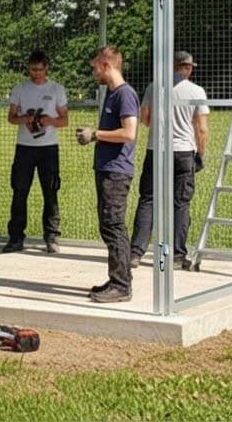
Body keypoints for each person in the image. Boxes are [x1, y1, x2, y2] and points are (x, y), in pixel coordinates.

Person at [130, 51, 210, 271]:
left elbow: (144, 119)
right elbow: (201, 128)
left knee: (148, 200)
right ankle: (175, 255)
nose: (190, 69)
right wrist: (200, 154)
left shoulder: (153, 87)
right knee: (180, 204)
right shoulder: (196, 91)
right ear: (185, 67)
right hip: (184, 151)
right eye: (189, 66)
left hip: (156, 150)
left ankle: (135, 253)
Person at [75, 45, 140, 303]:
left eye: (95, 67)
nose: (93, 72)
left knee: (114, 225)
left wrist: (96, 134)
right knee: (107, 225)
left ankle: (122, 285)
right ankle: (116, 278)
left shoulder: (125, 95)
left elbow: (129, 133)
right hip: (105, 169)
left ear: (106, 65)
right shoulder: (112, 94)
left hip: (117, 172)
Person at [3, 50, 69, 253]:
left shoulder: (57, 89)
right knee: (20, 191)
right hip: (24, 148)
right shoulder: (20, 88)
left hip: (48, 148)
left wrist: (50, 121)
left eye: (40, 69)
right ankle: (16, 238)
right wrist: (25, 119)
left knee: (50, 191)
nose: (36, 73)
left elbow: (65, 120)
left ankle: (51, 237)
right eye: (33, 69)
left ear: (47, 68)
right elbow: (11, 117)